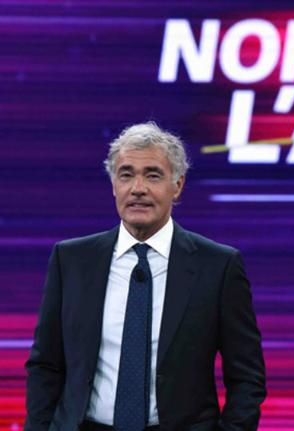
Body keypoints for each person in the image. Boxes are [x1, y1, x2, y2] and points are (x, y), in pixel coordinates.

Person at [24, 122, 266, 431]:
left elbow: (247, 377)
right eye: (126, 175)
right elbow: (45, 365)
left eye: (153, 175)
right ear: (114, 185)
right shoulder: (71, 260)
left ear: (177, 185)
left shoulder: (218, 266)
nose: (138, 188)